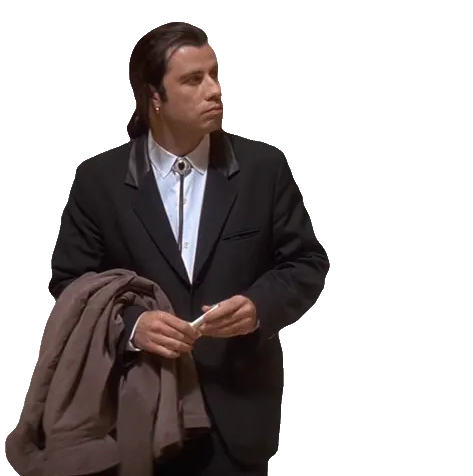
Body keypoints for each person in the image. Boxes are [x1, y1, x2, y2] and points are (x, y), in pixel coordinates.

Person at [49, 21, 328, 476]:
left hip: (237, 415)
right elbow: (71, 283)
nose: (215, 91)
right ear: (153, 97)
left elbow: (305, 263)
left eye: (214, 74)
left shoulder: (263, 169)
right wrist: (133, 326)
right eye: (194, 79)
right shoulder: (99, 182)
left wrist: (258, 306)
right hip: (135, 412)